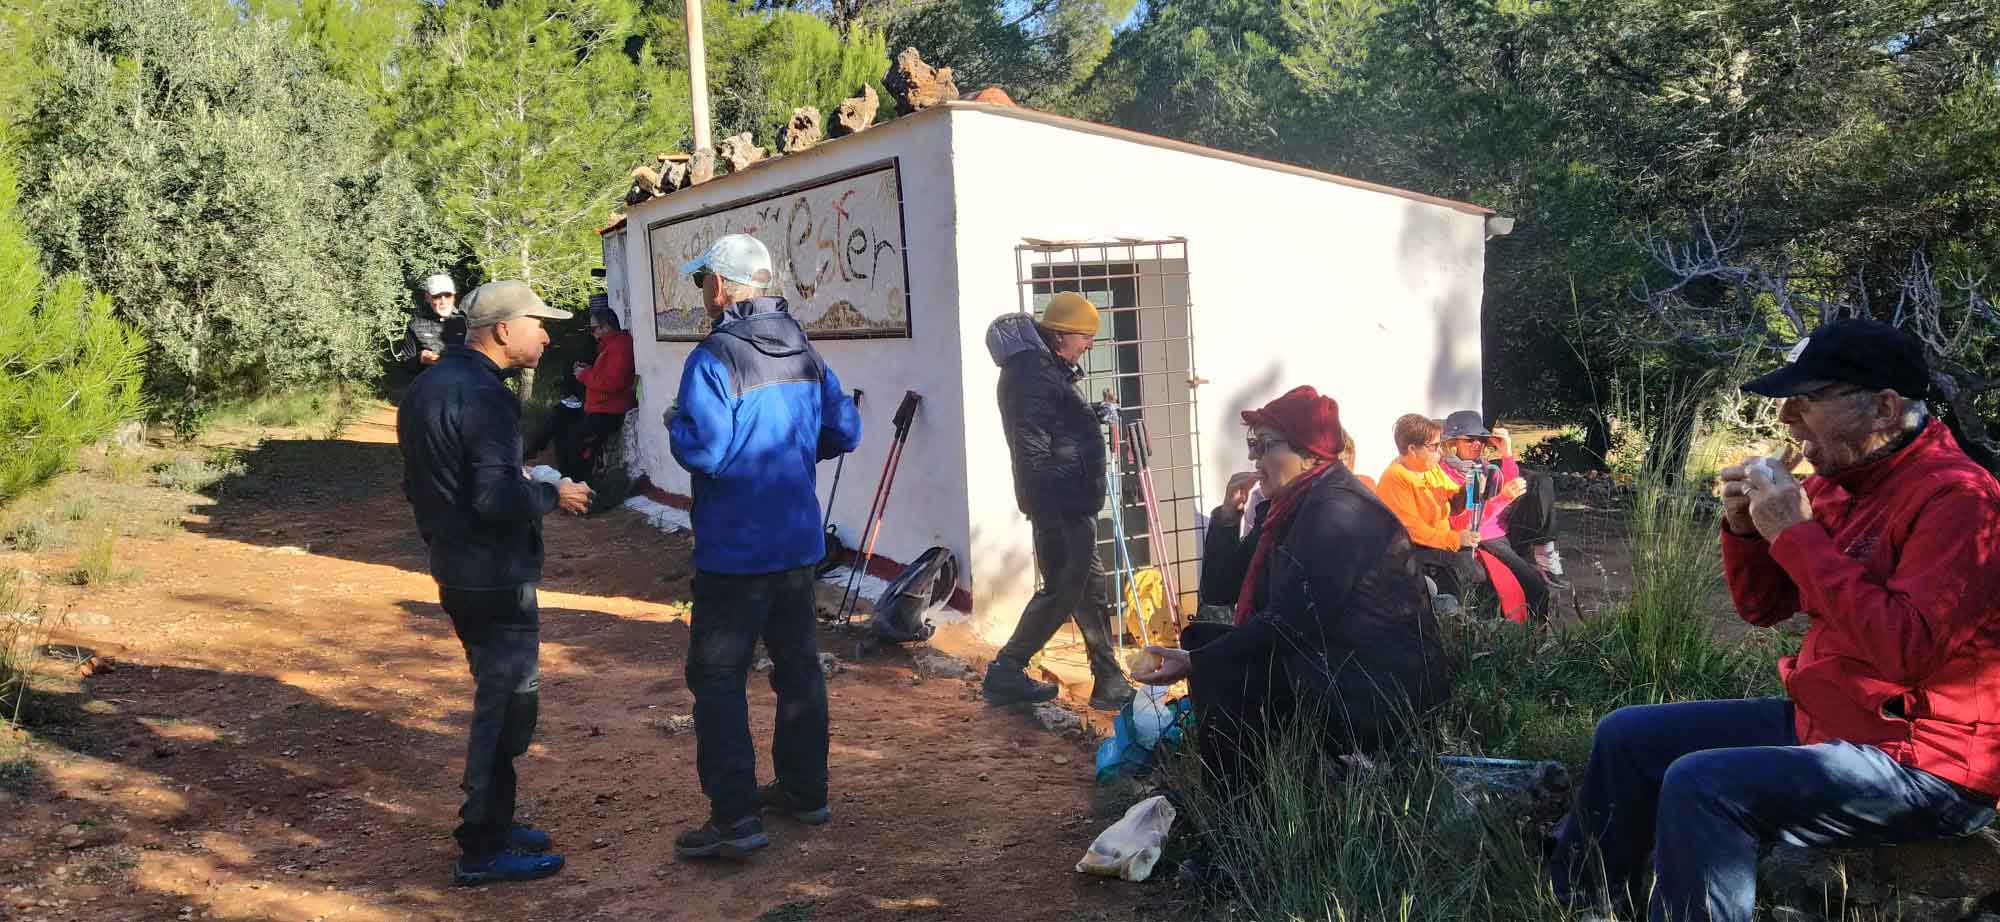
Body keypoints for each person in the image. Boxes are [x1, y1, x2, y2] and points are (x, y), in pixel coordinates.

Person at [1548, 320, 2000, 922]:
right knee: (1627, 735)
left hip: (1928, 763)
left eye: (1808, 399)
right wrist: (1745, 531)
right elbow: (1761, 609)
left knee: (1703, 784)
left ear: (1885, 409)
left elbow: (1906, 651)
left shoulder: (1960, 500)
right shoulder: (1844, 485)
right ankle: (1580, 904)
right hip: (1835, 722)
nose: (1786, 416)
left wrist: (1795, 531)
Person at [1133, 385, 1452, 789]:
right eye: (1253, 445)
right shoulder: (1293, 505)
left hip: (1376, 692)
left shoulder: (1335, 513)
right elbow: (1219, 589)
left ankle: (1246, 810)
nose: (1254, 458)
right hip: (1337, 662)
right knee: (1203, 640)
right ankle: (1246, 798)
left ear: (1307, 454)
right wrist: (1228, 519)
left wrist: (1199, 662)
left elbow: (1291, 624)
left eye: (1264, 445)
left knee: (1221, 664)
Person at [667, 234, 862, 861]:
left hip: (734, 553)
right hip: (798, 546)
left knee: (717, 677)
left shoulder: (714, 356)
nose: (704, 294)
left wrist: (675, 422)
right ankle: (806, 794)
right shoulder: (806, 352)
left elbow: (706, 450)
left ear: (721, 287)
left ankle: (735, 819)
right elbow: (844, 430)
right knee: (798, 669)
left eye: (704, 283)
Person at [396, 279, 593, 885]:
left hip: (456, 566)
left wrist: (515, 471)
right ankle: (481, 845)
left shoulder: (427, 386)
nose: (547, 333)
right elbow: (493, 497)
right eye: (538, 322)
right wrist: (552, 491)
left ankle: (497, 821)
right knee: (505, 707)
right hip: (495, 574)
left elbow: (437, 481)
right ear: (504, 330)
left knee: (501, 699)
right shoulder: (489, 399)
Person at [982, 292, 1134, 711]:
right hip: (1059, 506)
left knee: (1089, 590)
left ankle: (1108, 679)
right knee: (1062, 592)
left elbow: (1056, 426)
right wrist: (1048, 523)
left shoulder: (1047, 371)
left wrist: (1088, 414)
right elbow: (1032, 454)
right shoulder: (1032, 377)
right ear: (1064, 336)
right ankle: (1006, 670)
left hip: (1070, 503)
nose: (1090, 345)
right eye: (1086, 337)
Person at [1436, 411, 1557, 619]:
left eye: (1481, 439)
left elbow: (1510, 484)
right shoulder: (1445, 474)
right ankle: (1533, 640)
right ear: (1452, 443)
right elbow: (1463, 523)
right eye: (1469, 440)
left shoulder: (1482, 467)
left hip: (1499, 530)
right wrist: (1502, 499)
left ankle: (1546, 555)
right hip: (1480, 538)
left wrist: (1506, 453)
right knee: (1534, 588)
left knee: (1541, 483)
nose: (1477, 445)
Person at [1374, 414, 1479, 608]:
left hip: (1438, 543)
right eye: (1434, 447)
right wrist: (1455, 540)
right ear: (1412, 449)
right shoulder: (1395, 478)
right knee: (1468, 574)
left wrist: (1470, 487)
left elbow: (1452, 499)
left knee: (1476, 574)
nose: (1440, 452)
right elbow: (1412, 530)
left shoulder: (1429, 469)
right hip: (1415, 550)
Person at [558, 307, 636, 481]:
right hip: (600, 407)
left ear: (605, 327)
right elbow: (606, 376)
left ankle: (580, 487)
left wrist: (584, 375)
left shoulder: (620, 346)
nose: (592, 333)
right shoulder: (611, 345)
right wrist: (588, 371)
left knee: (576, 445)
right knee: (561, 423)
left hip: (608, 410)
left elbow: (613, 383)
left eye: (593, 328)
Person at [397, 274, 467, 373]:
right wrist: (420, 358)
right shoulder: (416, 326)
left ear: (454, 296)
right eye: (437, 296)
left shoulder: (468, 322)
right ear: (427, 297)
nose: (443, 301)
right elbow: (405, 365)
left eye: (448, 295)